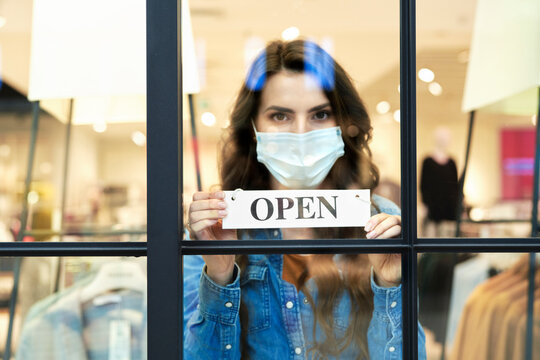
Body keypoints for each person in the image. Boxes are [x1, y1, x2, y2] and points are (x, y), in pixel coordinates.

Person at [184, 39, 426, 359]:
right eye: (280, 116)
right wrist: (219, 276)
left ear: (343, 124)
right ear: (254, 127)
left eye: (320, 114)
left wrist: (390, 284)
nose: (301, 133)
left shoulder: (380, 221)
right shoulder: (215, 225)